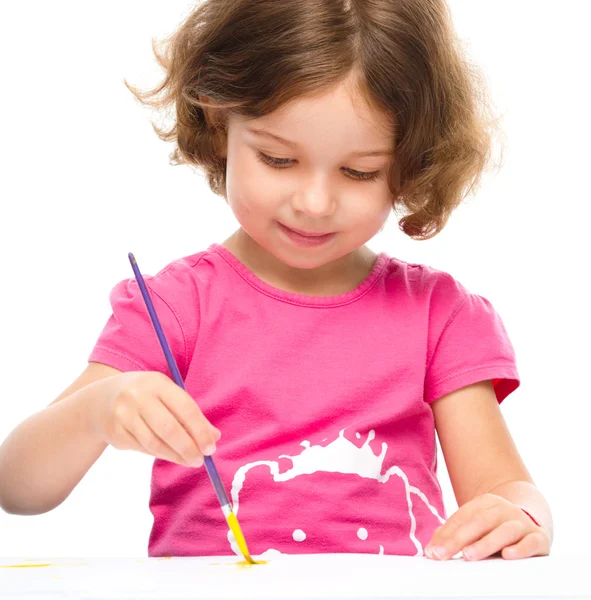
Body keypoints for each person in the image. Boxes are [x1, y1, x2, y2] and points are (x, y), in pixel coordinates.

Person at [0, 0, 552, 561]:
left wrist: (519, 516)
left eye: (360, 171)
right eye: (278, 159)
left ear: (411, 162)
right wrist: (98, 411)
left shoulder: (439, 316)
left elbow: (503, 490)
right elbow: (17, 487)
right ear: (220, 126)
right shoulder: (176, 307)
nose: (314, 203)